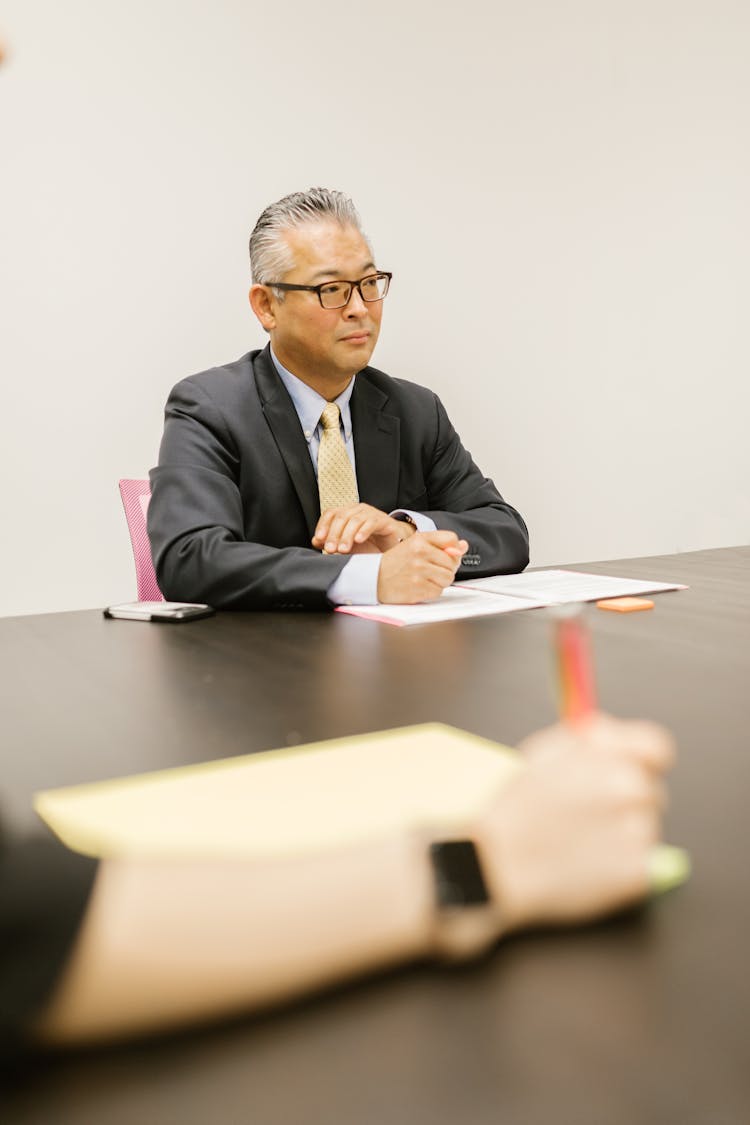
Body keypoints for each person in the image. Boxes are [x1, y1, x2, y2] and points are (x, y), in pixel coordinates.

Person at [2, 714, 674, 1051]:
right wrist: (492, 860)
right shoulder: (207, 432)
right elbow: (193, 557)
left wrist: (419, 535)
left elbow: (501, 530)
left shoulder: (417, 431)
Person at [148, 188, 529, 610]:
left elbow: (507, 534)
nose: (359, 308)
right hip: (262, 665)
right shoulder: (210, 407)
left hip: (398, 663)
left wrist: (405, 533)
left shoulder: (415, 410)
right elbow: (190, 559)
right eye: (331, 289)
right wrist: (370, 578)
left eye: (368, 284)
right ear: (266, 306)